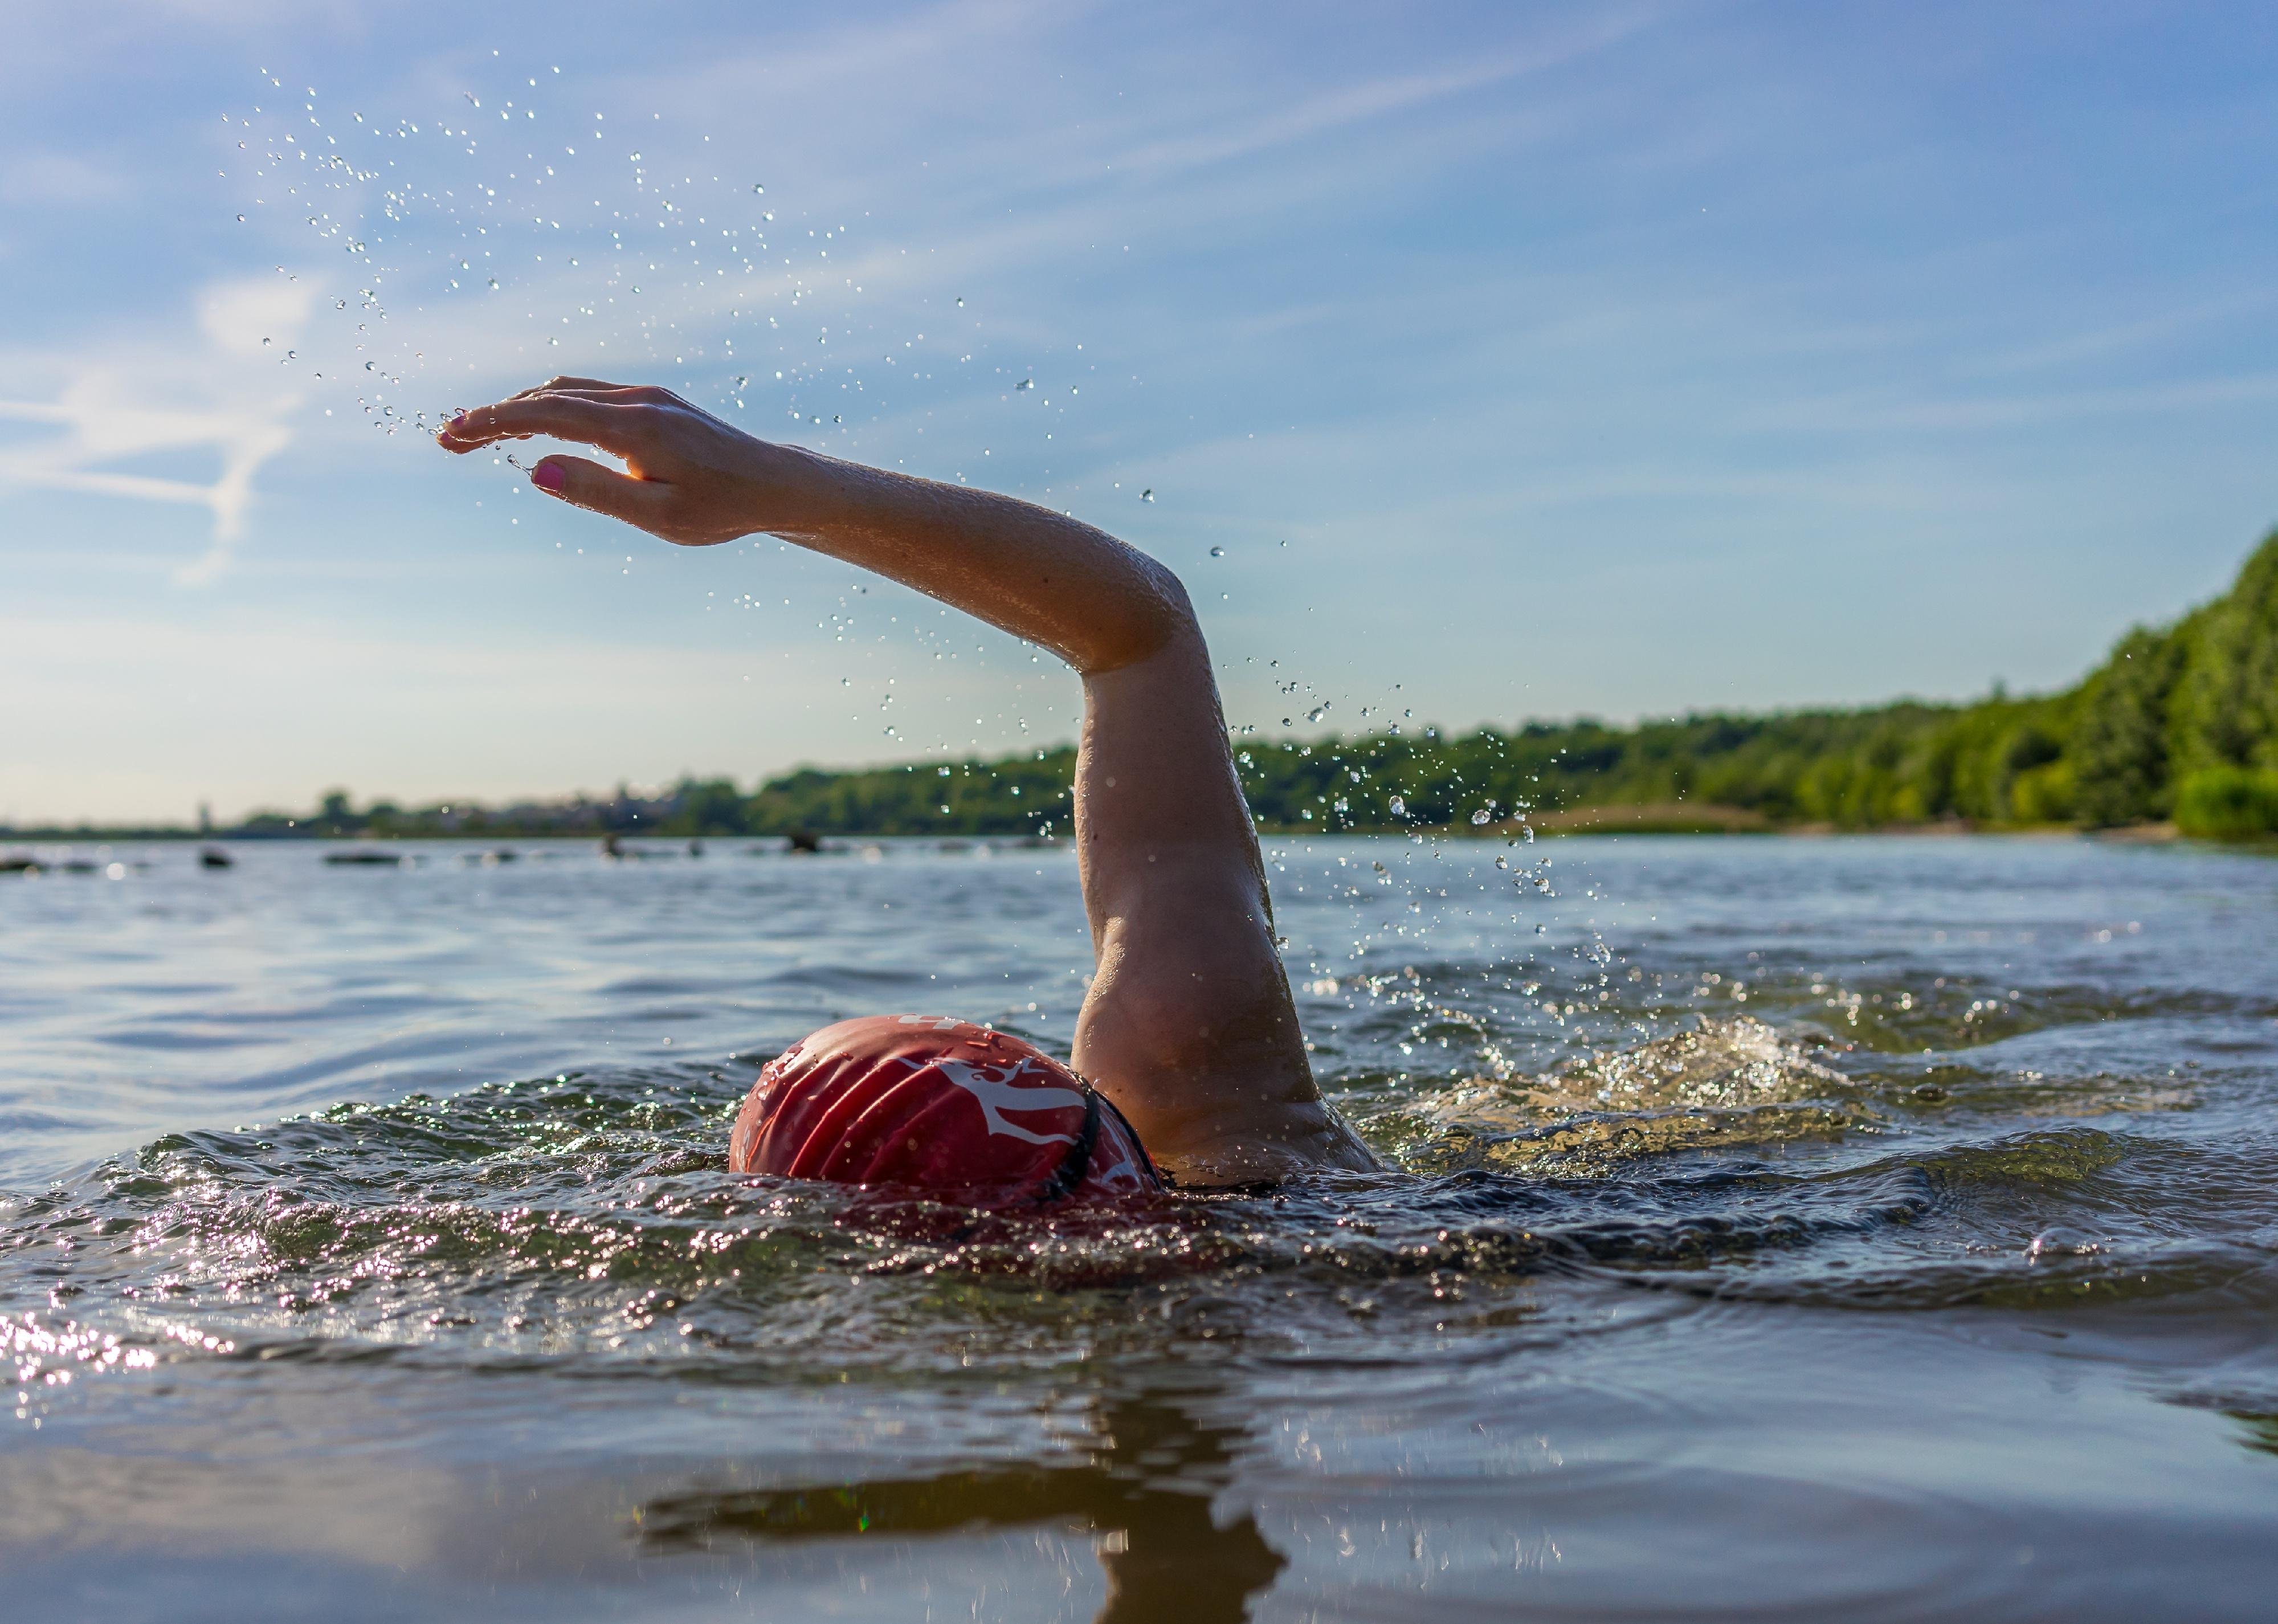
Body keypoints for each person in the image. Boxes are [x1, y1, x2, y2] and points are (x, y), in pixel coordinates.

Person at [439, 379, 1378, 1197]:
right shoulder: (1217, 1112)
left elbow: (1142, 638)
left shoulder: (1216, 1125)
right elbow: (1142, 630)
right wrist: (781, 486)